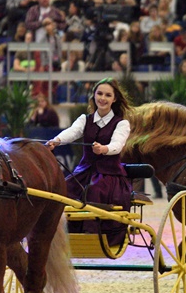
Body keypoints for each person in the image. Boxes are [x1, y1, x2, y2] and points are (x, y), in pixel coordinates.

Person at [46, 79, 132, 244]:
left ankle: (90, 234)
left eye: (108, 95)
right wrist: (56, 141)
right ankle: (62, 233)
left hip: (109, 175)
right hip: (84, 172)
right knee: (64, 190)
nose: (102, 98)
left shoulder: (121, 123)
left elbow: (118, 145)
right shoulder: (85, 120)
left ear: (114, 99)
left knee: (94, 190)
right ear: (94, 95)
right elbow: (72, 132)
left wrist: (104, 149)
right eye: (99, 93)